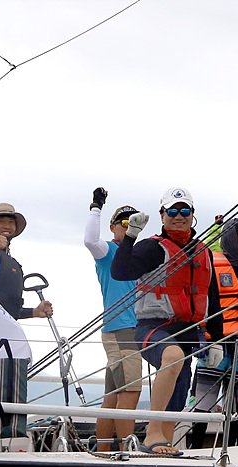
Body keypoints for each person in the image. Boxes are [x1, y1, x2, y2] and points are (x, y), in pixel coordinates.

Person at [111, 187, 224, 455]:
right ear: (162, 215)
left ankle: (165, 445)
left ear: (192, 215)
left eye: (184, 210)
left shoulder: (202, 251)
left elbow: (212, 295)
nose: (178, 216)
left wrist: (216, 339)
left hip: (188, 332)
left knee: (180, 388)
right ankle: (152, 432)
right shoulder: (151, 247)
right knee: (172, 356)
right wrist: (130, 237)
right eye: (172, 211)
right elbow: (119, 271)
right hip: (152, 329)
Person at [189, 218, 238, 448]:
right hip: (215, 343)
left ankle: (233, 451)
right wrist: (203, 339)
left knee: (237, 408)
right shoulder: (211, 263)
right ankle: (196, 449)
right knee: (203, 403)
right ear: (231, 237)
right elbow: (202, 303)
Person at [83, 187, 143, 452]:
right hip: (123, 331)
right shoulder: (108, 251)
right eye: (124, 223)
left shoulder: (138, 256)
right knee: (130, 395)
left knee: (112, 397)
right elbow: (89, 240)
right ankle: (125, 452)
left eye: (134, 223)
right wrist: (96, 206)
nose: (129, 227)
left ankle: (105, 452)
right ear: (113, 227)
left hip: (125, 330)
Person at [0, 203, 52, 320]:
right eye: (1, 221)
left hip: (4, 331)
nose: (7, 226)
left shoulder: (12, 262)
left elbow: (10, 309)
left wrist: (35, 312)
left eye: (11, 222)